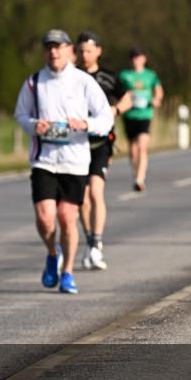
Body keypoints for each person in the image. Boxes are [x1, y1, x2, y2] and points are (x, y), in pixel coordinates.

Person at [15, 29, 113, 294]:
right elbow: (20, 115)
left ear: (69, 50)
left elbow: (106, 118)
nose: (53, 52)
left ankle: (67, 272)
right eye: (49, 47)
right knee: (45, 218)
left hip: (75, 161)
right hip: (44, 160)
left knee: (67, 217)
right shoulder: (35, 82)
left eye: (58, 47)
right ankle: (52, 252)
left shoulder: (83, 82)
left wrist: (86, 124)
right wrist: (35, 126)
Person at [74, 31, 130, 270]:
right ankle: (90, 240)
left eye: (89, 50)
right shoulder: (71, 76)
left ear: (98, 51)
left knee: (96, 192)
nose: (84, 55)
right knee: (81, 198)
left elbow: (128, 99)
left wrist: (113, 111)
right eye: (81, 51)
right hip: (75, 144)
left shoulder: (108, 77)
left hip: (101, 142)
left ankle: (96, 244)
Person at [118, 47, 163, 192]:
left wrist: (156, 99)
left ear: (144, 59)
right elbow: (117, 91)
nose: (136, 60)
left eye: (139, 57)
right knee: (132, 149)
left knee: (142, 147)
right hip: (130, 115)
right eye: (134, 57)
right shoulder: (124, 75)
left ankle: (140, 179)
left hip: (145, 114)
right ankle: (135, 173)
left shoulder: (151, 75)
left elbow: (158, 91)